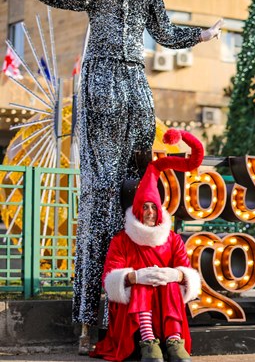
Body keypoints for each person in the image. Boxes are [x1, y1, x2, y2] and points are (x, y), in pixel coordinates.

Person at [22, 0, 222, 350]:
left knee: (136, 176)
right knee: (100, 194)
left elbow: (166, 34)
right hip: (101, 77)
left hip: (134, 80)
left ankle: (137, 322)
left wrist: (203, 36)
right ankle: (88, 319)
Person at [90, 129, 203, 362]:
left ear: (160, 210)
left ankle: (173, 341)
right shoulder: (122, 239)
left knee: (170, 284)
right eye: (145, 208)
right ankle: (148, 341)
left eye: (154, 207)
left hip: (167, 298)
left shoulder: (171, 238)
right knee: (144, 283)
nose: (150, 212)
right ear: (138, 211)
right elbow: (109, 277)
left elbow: (186, 270)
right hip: (131, 309)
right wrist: (135, 277)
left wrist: (174, 274)